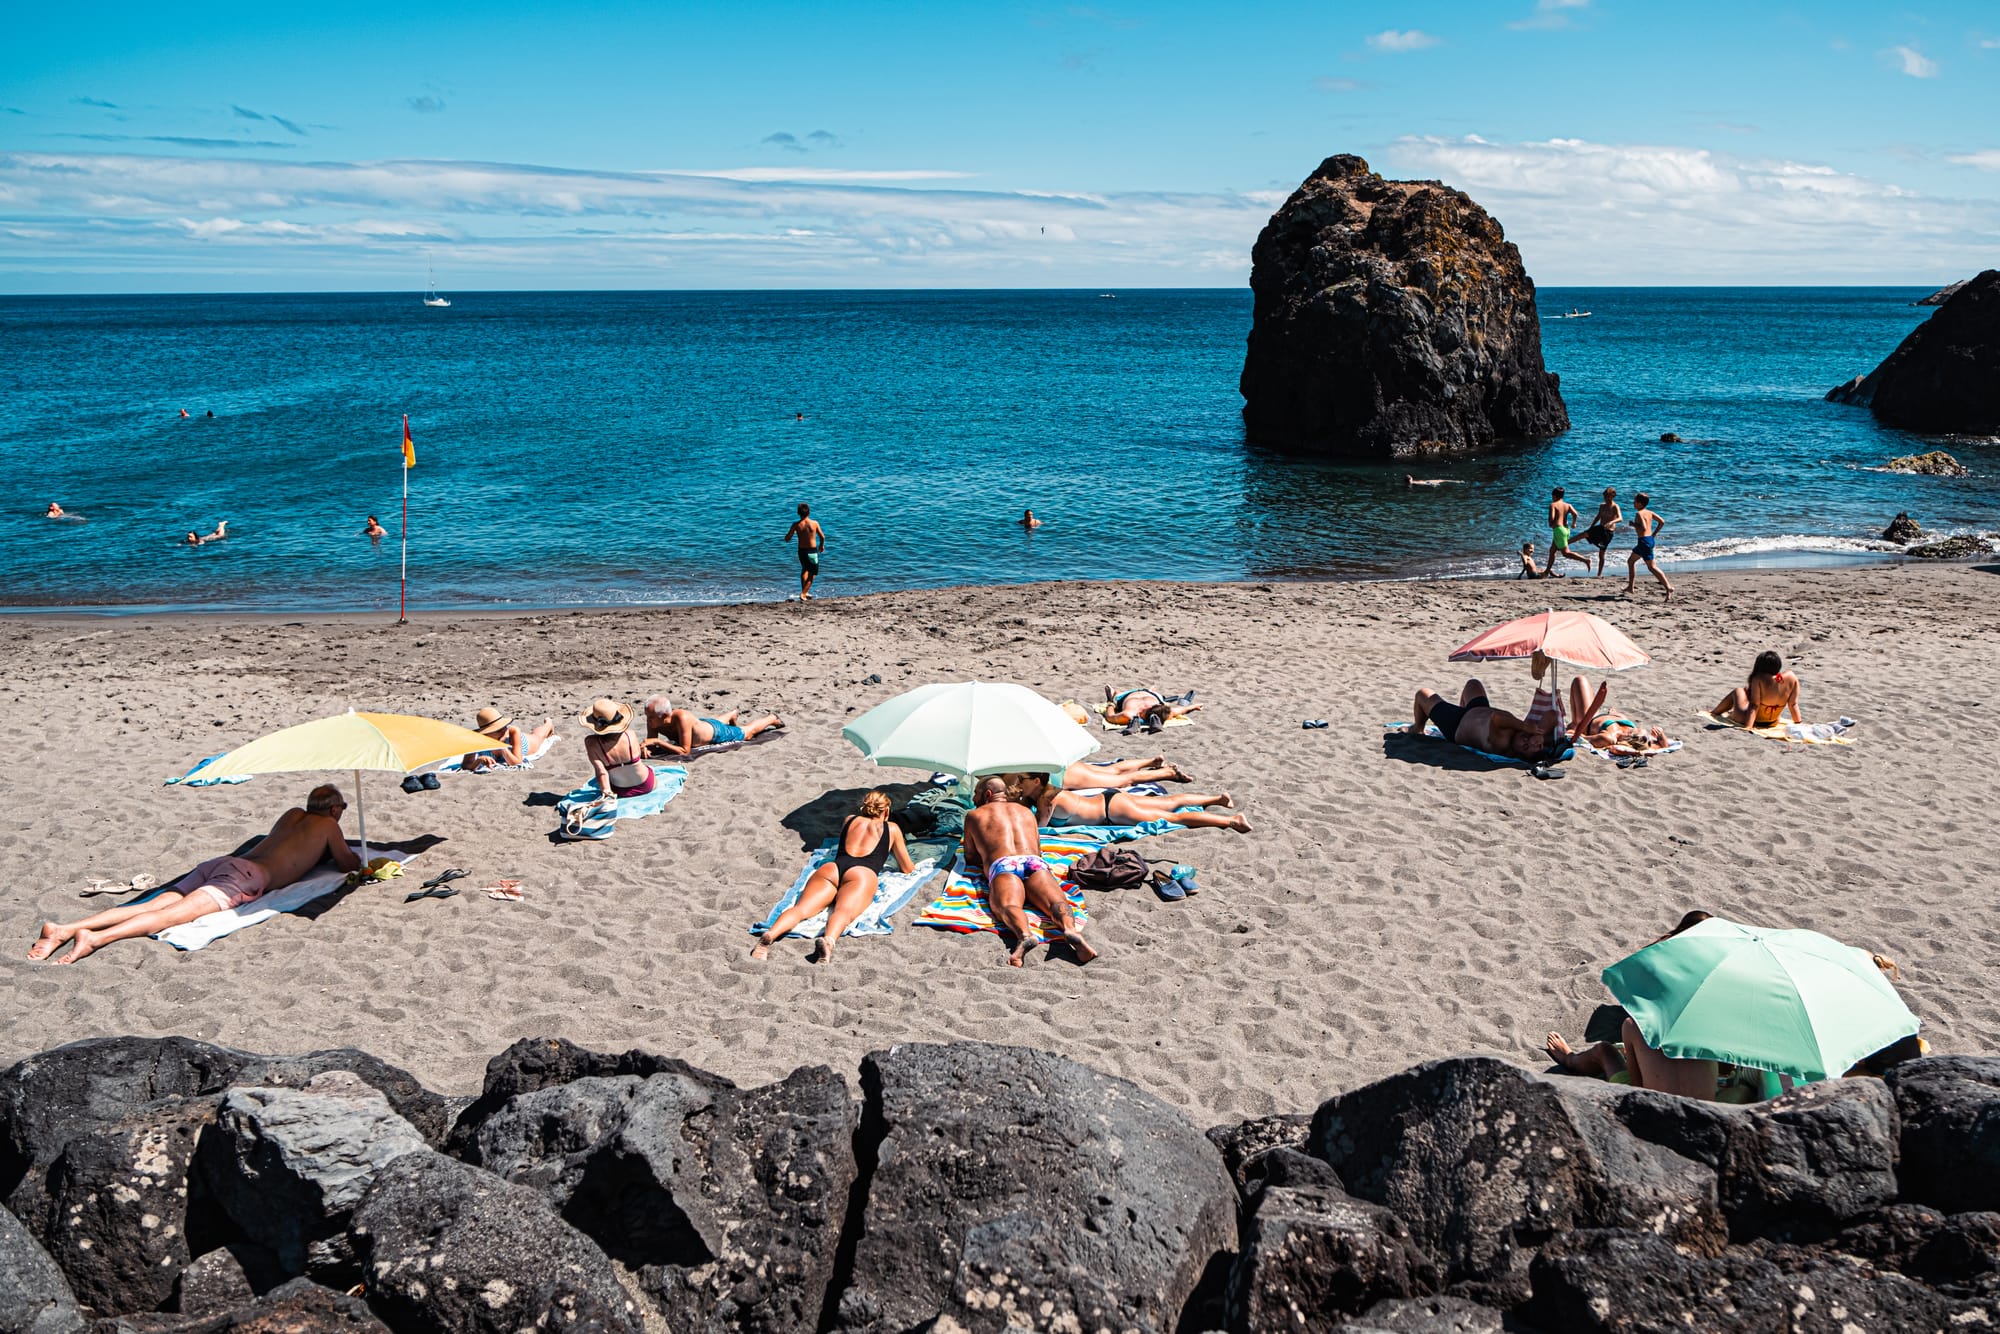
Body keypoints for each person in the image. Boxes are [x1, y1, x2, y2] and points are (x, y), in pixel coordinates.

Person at [27, 786, 360, 965]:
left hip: (222, 863)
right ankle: (95, 938)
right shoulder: (329, 824)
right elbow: (348, 864)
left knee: (150, 904)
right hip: (242, 879)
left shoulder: (292, 814)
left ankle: (65, 928)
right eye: (341, 809)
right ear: (334, 810)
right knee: (166, 917)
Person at [751, 789, 915, 963]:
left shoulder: (849, 820)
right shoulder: (891, 828)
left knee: (801, 909)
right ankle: (828, 942)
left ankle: (770, 935)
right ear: (887, 811)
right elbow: (907, 868)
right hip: (861, 874)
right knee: (842, 911)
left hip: (833, 869)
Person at [961, 776, 1096, 967]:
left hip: (1004, 864)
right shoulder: (1026, 812)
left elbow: (971, 857)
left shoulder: (975, 815)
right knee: (1057, 901)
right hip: (1034, 862)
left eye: (976, 794)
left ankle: (1024, 935)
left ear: (987, 795)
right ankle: (1070, 929)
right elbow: (1038, 849)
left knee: (1008, 906)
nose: (974, 799)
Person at [1013, 773, 1250, 833]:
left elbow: (1040, 829)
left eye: (1021, 779)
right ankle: (1218, 799)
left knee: (1174, 817)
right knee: (1170, 803)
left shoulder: (1046, 799)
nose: (1017, 782)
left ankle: (1230, 820)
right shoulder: (1045, 791)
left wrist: (1020, 802)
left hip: (1111, 811)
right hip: (1111, 798)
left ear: (1035, 780)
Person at [1410, 677, 1566, 761]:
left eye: (1524, 746)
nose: (1526, 740)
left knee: (1423, 694)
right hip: (1477, 710)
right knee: (1473, 683)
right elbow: (1552, 714)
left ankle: (1418, 728)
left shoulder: (1501, 743)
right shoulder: (1531, 737)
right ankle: (1461, 706)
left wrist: (1525, 727)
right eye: (1531, 743)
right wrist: (1542, 733)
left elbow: (1497, 718)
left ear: (1515, 753)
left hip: (1457, 725)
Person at [579, 697, 656, 803]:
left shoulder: (591, 743)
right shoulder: (630, 734)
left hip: (620, 790)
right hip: (646, 784)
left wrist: (606, 793)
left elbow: (601, 772)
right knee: (647, 769)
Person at [1713, 651, 1802, 729]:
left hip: (1750, 720)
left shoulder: (1758, 678)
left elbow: (1754, 705)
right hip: (1773, 722)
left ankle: (1714, 712)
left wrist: (1749, 726)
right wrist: (1798, 724)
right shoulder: (1791, 677)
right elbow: (1793, 704)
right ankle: (1724, 712)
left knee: (1738, 691)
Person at [645, 707, 783, 756]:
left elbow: (685, 751)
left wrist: (658, 742)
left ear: (663, 716)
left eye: (651, 717)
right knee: (707, 725)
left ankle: (772, 718)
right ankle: (731, 714)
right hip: (704, 727)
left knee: (747, 733)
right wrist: (647, 749)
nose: (648, 720)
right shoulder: (654, 721)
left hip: (715, 733)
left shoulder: (682, 717)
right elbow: (650, 744)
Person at [463, 706, 555, 772]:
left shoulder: (512, 731)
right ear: (487, 733)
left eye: (504, 726)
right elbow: (466, 765)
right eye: (498, 729)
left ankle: (548, 723)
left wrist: (501, 746)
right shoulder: (475, 738)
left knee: (538, 736)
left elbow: (516, 762)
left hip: (523, 744)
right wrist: (478, 760)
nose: (504, 730)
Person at [1624, 492, 1673, 599]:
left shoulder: (1639, 514)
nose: (1633, 503)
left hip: (1644, 542)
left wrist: (1633, 524)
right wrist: (1654, 534)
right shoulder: (1649, 512)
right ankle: (1630, 587)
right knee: (1631, 561)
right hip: (1648, 540)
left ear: (1640, 504)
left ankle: (1668, 587)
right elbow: (1662, 521)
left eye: (1635, 501)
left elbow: (1644, 527)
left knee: (1652, 567)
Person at [1102, 687, 1201, 730]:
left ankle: (1113, 693)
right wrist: (1192, 707)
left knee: (1117, 693)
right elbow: (1180, 710)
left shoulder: (1129, 714)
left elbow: (1110, 716)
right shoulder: (1129, 713)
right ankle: (1151, 689)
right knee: (1117, 693)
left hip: (1126, 696)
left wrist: (1110, 703)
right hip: (1150, 693)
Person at [784, 502, 825, 601]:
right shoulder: (814, 523)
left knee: (805, 570)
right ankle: (803, 593)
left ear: (798, 513)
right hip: (812, 551)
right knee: (813, 573)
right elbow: (822, 536)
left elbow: (787, 539)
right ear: (809, 512)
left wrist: (794, 532)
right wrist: (821, 545)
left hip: (801, 551)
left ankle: (805, 592)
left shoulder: (796, 525)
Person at [1546, 488, 1591, 574]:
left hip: (1559, 530)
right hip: (1566, 529)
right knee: (1552, 550)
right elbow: (1575, 513)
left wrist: (1551, 523)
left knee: (1566, 553)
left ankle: (1586, 560)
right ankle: (1547, 571)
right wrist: (1574, 523)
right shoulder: (1567, 505)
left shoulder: (1553, 505)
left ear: (1554, 496)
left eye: (1552, 496)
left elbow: (1552, 518)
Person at [1580, 488, 1623, 577]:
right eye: (1605, 497)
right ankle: (1567, 543)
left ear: (1612, 496)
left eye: (1608, 497)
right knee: (1584, 534)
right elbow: (1598, 517)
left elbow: (1620, 518)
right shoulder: (1602, 506)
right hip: (1600, 529)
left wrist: (1612, 522)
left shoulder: (1615, 506)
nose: (1606, 499)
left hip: (1608, 532)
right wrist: (1591, 526)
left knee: (1601, 553)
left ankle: (1599, 574)